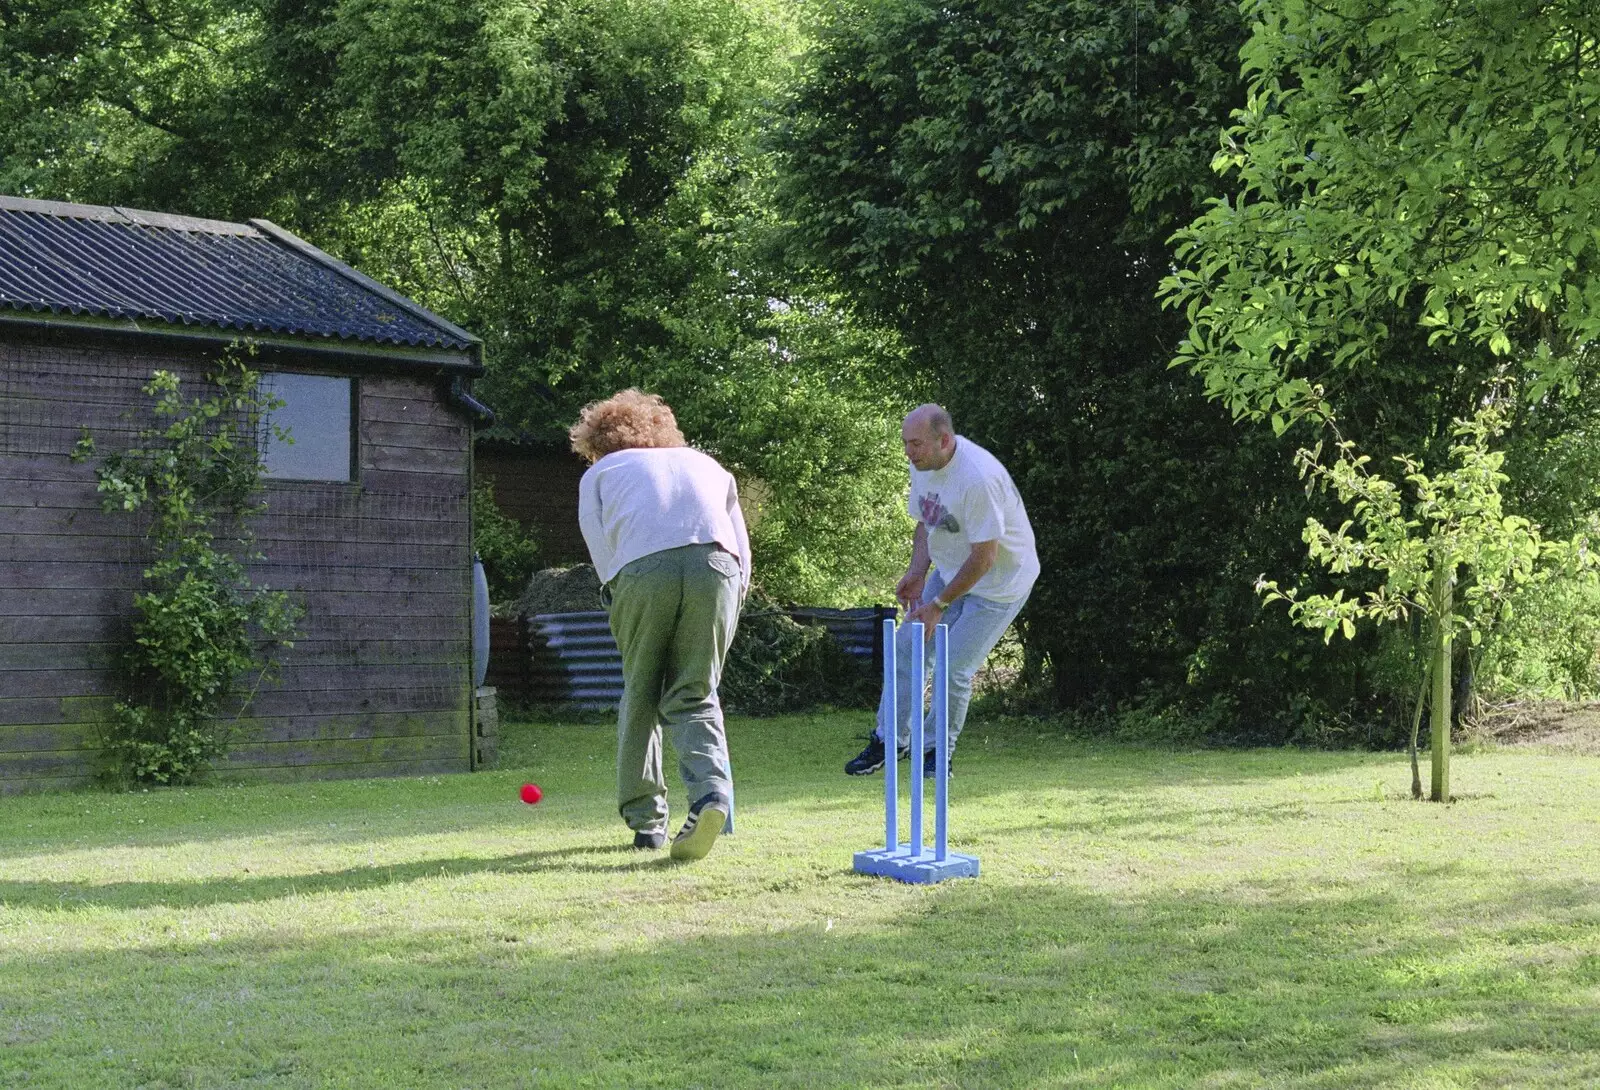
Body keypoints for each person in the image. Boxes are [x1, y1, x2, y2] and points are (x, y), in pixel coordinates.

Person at [571, 389, 750, 861]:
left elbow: (598, 541)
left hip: (641, 569)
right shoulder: (707, 464)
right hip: (719, 566)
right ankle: (714, 799)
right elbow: (740, 541)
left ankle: (647, 823)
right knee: (696, 691)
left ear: (598, 442)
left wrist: (617, 592)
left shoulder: (602, 472)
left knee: (642, 691)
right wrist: (735, 594)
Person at [846, 404, 1038, 777]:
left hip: (1000, 584)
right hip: (953, 570)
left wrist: (938, 603)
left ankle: (935, 754)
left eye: (915, 444)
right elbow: (927, 522)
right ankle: (889, 741)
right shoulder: (923, 466)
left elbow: (985, 558)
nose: (908, 452)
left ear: (944, 440)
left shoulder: (978, 477)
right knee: (907, 647)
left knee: (954, 667)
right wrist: (918, 571)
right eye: (905, 443)